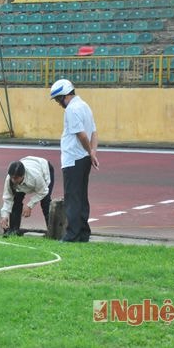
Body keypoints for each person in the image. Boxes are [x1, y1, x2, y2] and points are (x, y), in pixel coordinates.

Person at [50, 79, 99, 242]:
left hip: (73, 159)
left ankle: (72, 234)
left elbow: (82, 135)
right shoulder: (85, 105)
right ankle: (84, 232)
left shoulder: (71, 110)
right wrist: (92, 152)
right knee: (82, 197)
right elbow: (94, 133)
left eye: (58, 99)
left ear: (65, 95)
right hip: (83, 158)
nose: (58, 103)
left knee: (72, 197)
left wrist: (89, 151)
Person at [0, 156, 55, 237]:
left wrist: (30, 205)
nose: (13, 180)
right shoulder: (9, 179)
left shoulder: (35, 177)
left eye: (16, 178)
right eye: (12, 178)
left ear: (23, 175)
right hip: (28, 163)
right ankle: (14, 231)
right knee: (16, 201)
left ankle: (53, 233)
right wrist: (4, 216)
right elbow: (8, 199)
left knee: (45, 202)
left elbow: (43, 191)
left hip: (44, 168)